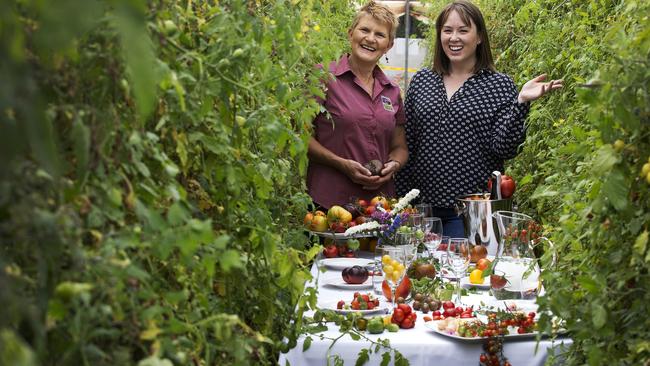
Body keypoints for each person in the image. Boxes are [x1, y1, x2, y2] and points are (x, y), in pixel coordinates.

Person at [395, 0, 562, 238]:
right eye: (448, 30)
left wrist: (521, 103)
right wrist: (403, 205)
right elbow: (407, 143)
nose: (454, 38)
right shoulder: (423, 81)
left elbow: (504, 147)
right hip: (422, 211)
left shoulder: (498, 85)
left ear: (479, 37)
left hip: (469, 213)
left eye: (463, 30)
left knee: (462, 273)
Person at [307, 1, 409, 210]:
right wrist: (341, 164)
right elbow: (300, 137)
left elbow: (400, 147)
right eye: (364, 30)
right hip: (329, 204)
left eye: (380, 34)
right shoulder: (323, 76)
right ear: (351, 33)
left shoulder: (391, 91)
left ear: (389, 45)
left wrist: (394, 165)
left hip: (378, 207)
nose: (370, 39)